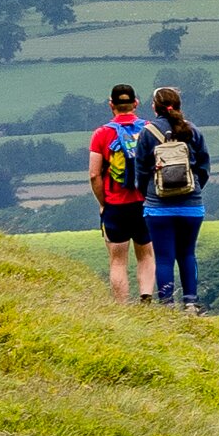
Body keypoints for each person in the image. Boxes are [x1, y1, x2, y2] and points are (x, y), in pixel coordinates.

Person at [140, 85, 213, 308]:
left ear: (155, 107)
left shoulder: (147, 133)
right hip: (191, 205)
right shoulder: (193, 131)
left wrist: (148, 195)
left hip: (158, 207)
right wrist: (194, 190)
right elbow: (204, 167)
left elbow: (140, 172)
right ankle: (191, 303)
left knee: (164, 258)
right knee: (187, 254)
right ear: (178, 105)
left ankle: (167, 305)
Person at [86, 84, 151, 300]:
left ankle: (122, 307)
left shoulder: (102, 134)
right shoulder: (149, 129)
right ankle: (146, 299)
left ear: (111, 105)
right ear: (135, 103)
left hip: (115, 205)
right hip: (144, 202)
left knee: (118, 261)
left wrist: (103, 203)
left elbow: (94, 174)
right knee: (146, 255)